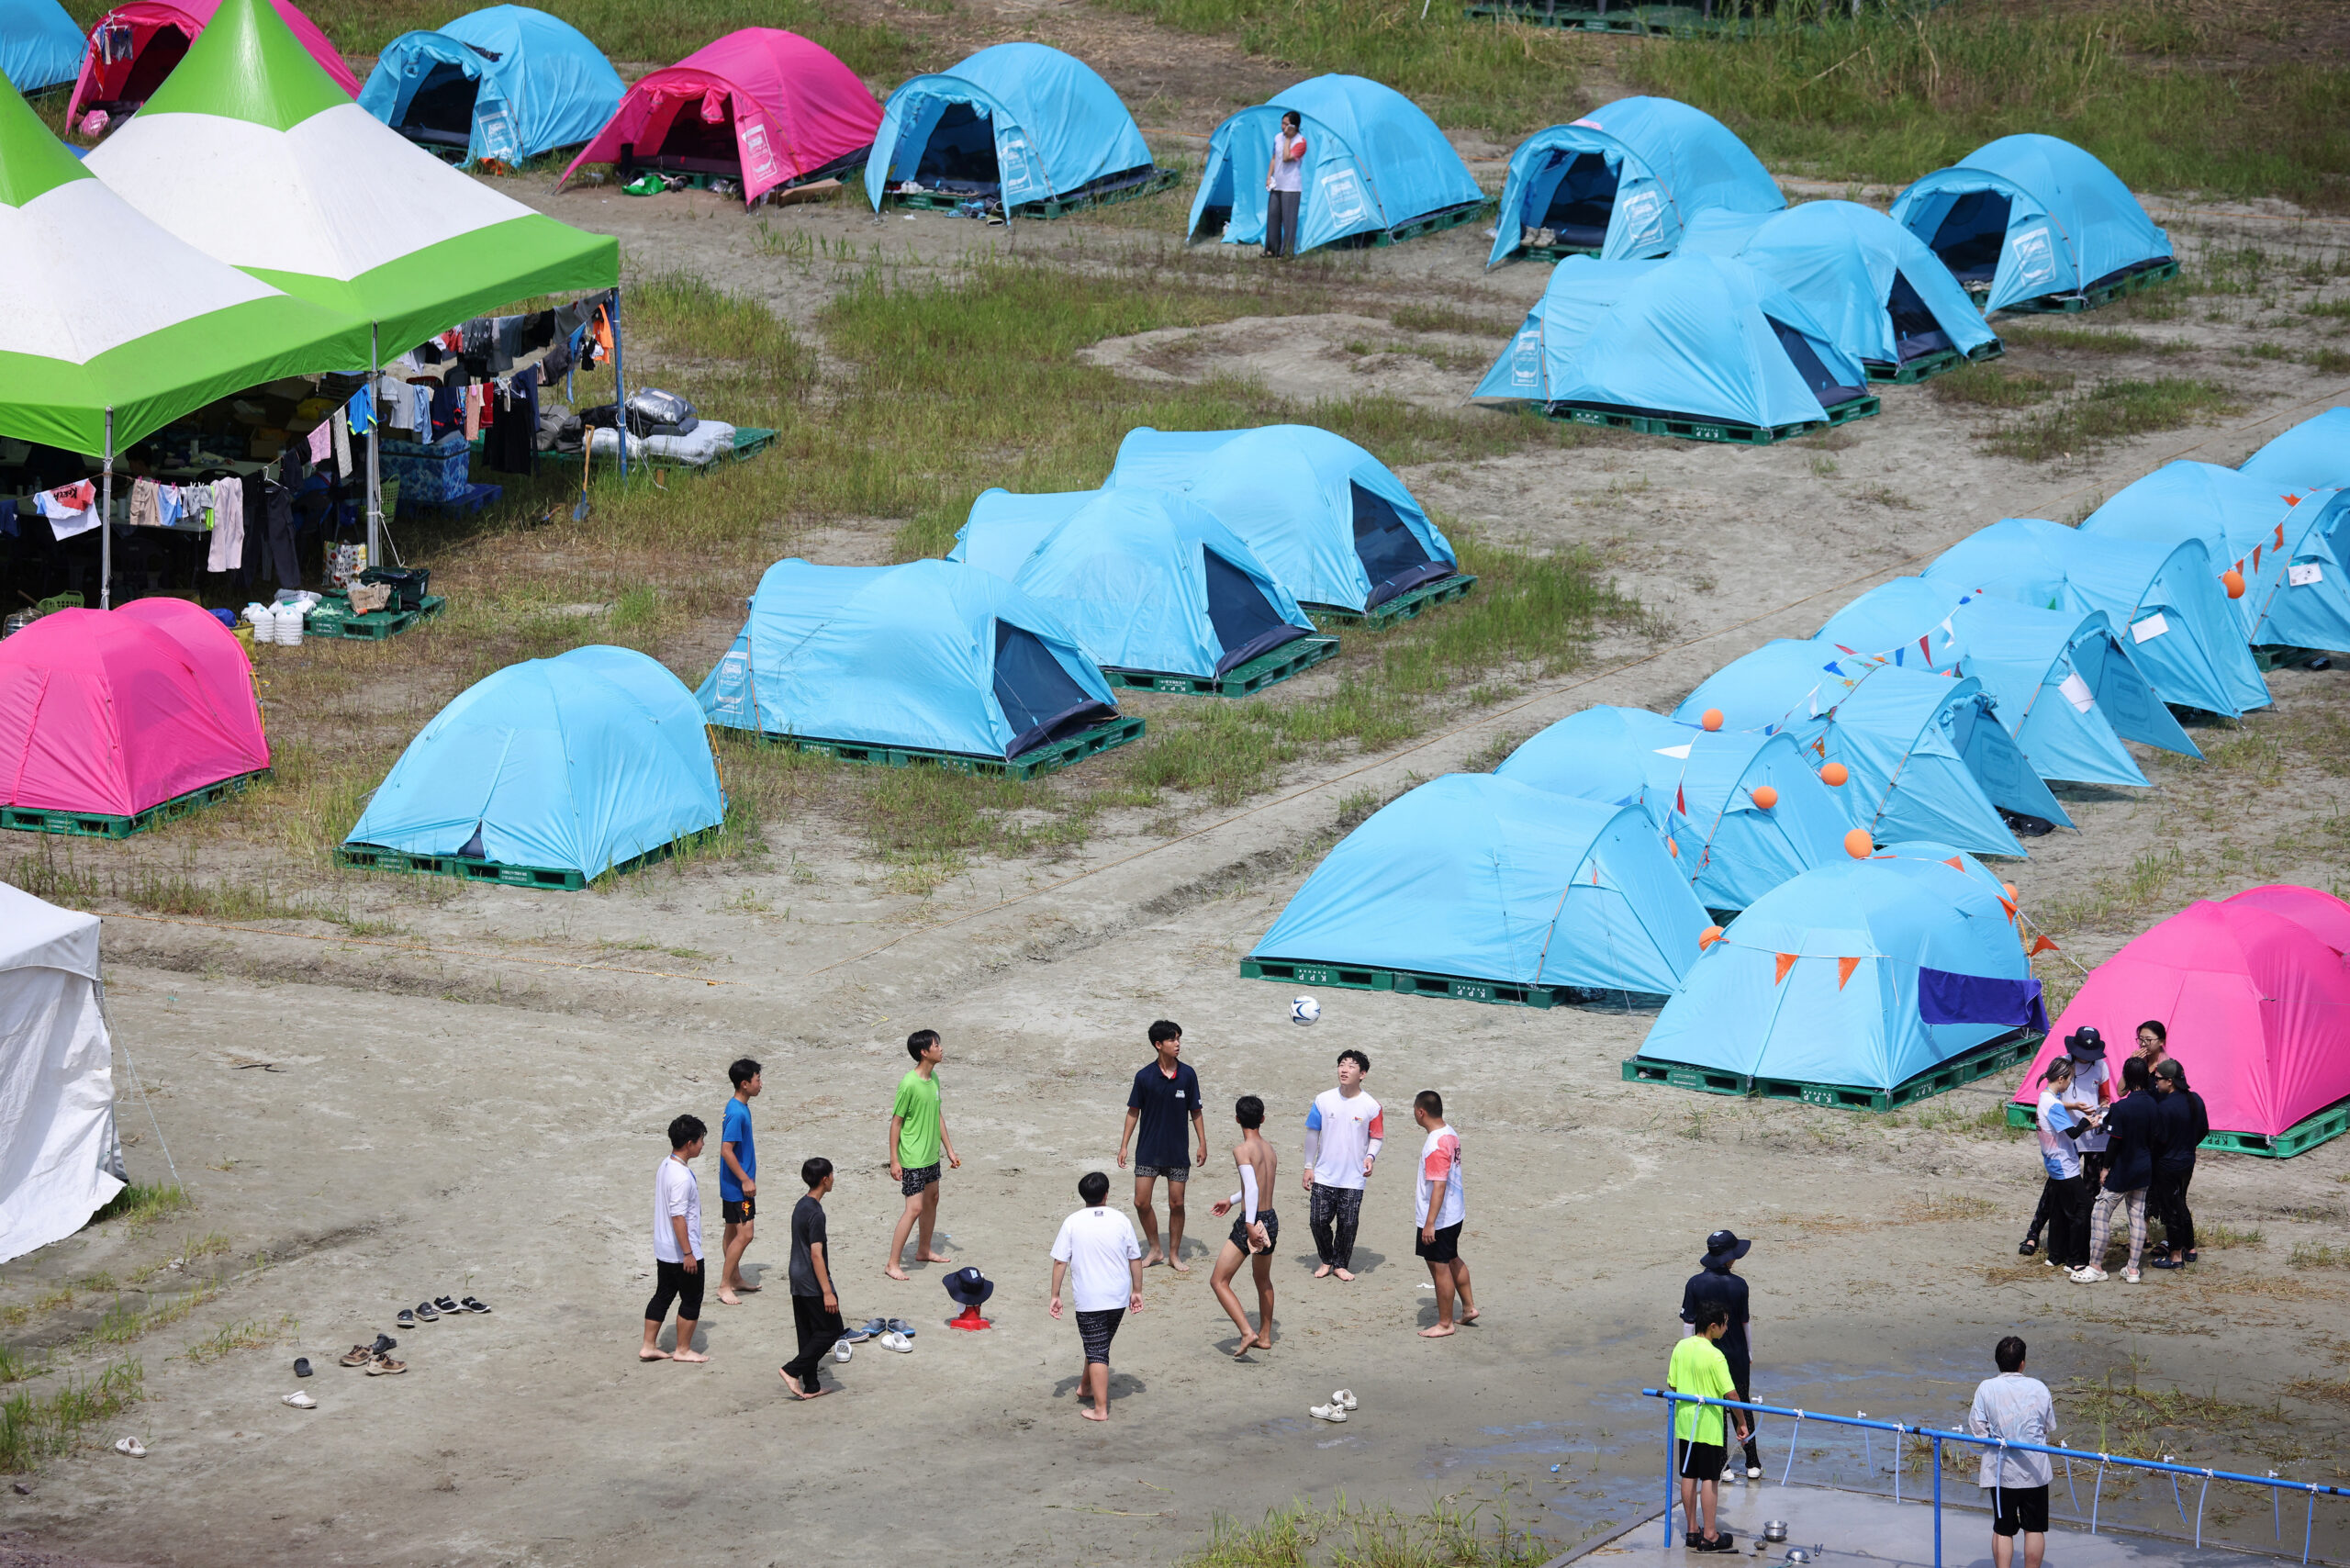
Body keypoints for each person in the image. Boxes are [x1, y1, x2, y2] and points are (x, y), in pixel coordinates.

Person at [1049, 1171, 1147, 1422]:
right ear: (1106, 1194)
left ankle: (1100, 1409)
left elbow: (1061, 1261)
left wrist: (1055, 1295)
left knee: (1097, 1350)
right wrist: (1137, 1291)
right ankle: (1086, 1386)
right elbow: (1134, 1258)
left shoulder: (1072, 1221)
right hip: (1118, 1296)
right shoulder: (1121, 1219)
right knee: (1098, 1344)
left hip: (1090, 1298)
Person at [1117, 1020, 1207, 1273]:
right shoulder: (1144, 1076)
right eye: (1172, 1040)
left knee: (1177, 1203)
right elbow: (1133, 1112)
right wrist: (1124, 1146)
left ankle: (1174, 1255)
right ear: (1159, 1045)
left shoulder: (1188, 1075)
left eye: (1179, 1038)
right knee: (1140, 1202)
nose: (1177, 1044)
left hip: (1177, 1151)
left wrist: (1202, 1143)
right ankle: (1155, 1249)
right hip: (1147, 1151)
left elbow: (1196, 1111)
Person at [2020, 1028, 2114, 1256]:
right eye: (2082, 1054)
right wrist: (2075, 1107)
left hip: (2093, 1136)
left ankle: (2079, 1241)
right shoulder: (2062, 1064)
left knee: (2089, 1191)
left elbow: (2105, 1096)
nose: (2086, 1059)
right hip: (2066, 1133)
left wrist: (2101, 1109)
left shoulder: (2101, 1066)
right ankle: (2034, 1234)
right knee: (2055, 1188)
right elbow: (2050, 1099)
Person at [1967, 1336, 2058, 1568]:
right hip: (2034, 1470)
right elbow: (2049, 1426)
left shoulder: (1986, 1387)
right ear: (2022, 1363)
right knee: (2034, 1528)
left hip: (2001, 1471)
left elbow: (1977, 1429)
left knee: (2003, 1529)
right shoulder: (2039, 1387)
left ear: (1998, 1362)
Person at [1680, 1229, 1762, 1479]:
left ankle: (1722, 1465)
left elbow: (1688, 1323)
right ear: (1730, 1258)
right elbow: (1745, 1322)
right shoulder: (1739, 1285)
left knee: (1713, 1407)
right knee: (1741, 1403)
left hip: (1705, 1352)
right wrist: (1749, 1350)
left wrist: (1687, 1351)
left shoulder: (1694, 1283)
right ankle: (1752, 1463)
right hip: (1736, 1353)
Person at [1667, 1302, 1742, 1553]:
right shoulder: (1715, 1355)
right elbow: (1731, 1395)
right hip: (1708, 1426)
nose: (1726, 1327)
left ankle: (1691, 1530)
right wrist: (1742, 1423)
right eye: (1725, 1323)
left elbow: (1674, 1385)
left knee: (1689, 1475)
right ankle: (1709, 1535)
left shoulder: (1681, 1346)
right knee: (1710, 1478)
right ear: (1713, 1326)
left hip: (1685, 1422)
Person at [1303, 1049, 1383, 1282]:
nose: (1344, 1069)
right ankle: (1327, 1258)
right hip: (1324, 1173)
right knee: (1317, 1221)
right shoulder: (1323, 1099)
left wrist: (1370, 1156)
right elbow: (1312, 1133)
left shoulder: (1371, 1106)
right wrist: (1309, 1166)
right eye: (1342, 1065)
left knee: (1348, 1224)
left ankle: (1340, 1264)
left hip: (1353, 1177)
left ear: (1363, 1074)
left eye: (1351, 1066)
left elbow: (1376, 1136)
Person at [885, 1029, 960, 1281]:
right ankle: (893, 1263)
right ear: (923, 1052)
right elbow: (896, 1122)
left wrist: (949, 1150)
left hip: (931, 1156)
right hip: (913, 1158)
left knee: (933, 1199)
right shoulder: (909, 1084)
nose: (941, 1048)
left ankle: (924, 1250)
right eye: (936, 1045)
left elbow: (937, 1115)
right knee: (914, 1208)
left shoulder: (934, 1079)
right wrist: (895, 1160)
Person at [1207, 1096, 1279, 1358]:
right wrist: (1231, 1199)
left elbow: (1253, 1187)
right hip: (1270, 1217)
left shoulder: (1242, 1150)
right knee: (1263, 1281)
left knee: (1219, 1281)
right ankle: (1266, 1336)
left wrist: (1248, 1223)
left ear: (1237, 1119)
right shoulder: (1270, 1149)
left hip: (1252, 1221)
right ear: (1262, 1118)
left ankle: (1248, 1331)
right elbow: (1258, 1186)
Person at [2077, 1055, 2157, 1284]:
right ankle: (2133, 1269)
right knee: (2137, 1217)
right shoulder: (2153, 1105)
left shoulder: (2122, 1108)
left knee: (2100, 1214)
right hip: (2144, 1167)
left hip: (2123, 1169)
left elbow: (2114, 1141)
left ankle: (2096, 1266)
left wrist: (2105, 1168)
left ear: (2129, 1079)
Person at [641, 1114, 710, 1363]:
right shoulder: (681, 1176)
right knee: (691, 1299)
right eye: (701, 1140)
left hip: (664, 1248)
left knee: (663, 1294)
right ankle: (683, 1349)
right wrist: (689, 1253)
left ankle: (649, 1345)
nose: (702, 1145)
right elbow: (678, 1216)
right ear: (690, 1143)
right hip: (682, 1251)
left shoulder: (665, 1164)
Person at [1412, 1090, 1476, 1338]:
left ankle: (1445, 1323)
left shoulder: (1434, 1144)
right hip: (1454, 1212)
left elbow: (1438, 1186)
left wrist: (1430, 1224)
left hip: (1439, 1218)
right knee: (1452, 1258)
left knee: (1439, 1267)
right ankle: (1468, 1308)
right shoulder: (1450, 1133)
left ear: (1421, 1112)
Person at [780, 1158, 843, 1399]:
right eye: (832, 1175)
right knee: (832, 1329)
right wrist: (827, 1291)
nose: (833, 1178)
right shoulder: (816, 1213)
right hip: (811, 1280)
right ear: (825, 1179)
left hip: (796, 1276)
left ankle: (812, 1385)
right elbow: (816, 1254)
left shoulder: (801, 1204)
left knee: (807, 1332)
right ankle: (791, 1370)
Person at [2031, 1057, 2096, 1273]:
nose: (2070, 1084)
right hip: (2063, 1165)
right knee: (2082, 1207)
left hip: (2053, 1162)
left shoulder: (2045, 1097)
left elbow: (2064, 1130)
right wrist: (2089, 1121)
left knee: (2059, 1208)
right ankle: (2075, 1259)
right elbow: (2073, 1132)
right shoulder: (2054, 1105)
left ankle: (2055, 1254)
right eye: (2070, 1079)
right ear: (2061, 1078)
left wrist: (2085, 1123)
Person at [2150, 1058, 2209, 1269]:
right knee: (2181, 1202)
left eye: (2157, 1080)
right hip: (2187, 1160)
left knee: (2170, 1209)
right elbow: (2204, 1130)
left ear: (2169, 1081)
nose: (2156, 1083)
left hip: (2168, 1164)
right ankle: (2189, 1248)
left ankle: (2175, 1256)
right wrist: (2188, 1146)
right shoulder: (2196, 1100)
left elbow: (2158, 1140)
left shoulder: (2164, 1107)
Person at [718, 1057, 762, 1306]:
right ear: (745, 1083)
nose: (760, 1084)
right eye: (757, 1080)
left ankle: (734, 1278)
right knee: (745, 1234)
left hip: (731, 1184)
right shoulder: (737, 1112)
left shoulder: (738, 1107)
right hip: (739, 1187)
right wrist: (745, 1179)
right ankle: (724, 1284)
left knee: (732, 1229)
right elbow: (727, 1150)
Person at [1264, 110, 1306, 259]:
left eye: (1287, 125)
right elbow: (1275, 158)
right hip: (1278, 183)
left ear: (1294, 126)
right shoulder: (1277, 138)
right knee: (1273, 216)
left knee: (1289, 221)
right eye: (1282, 123)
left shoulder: (1301, 142)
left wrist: (1288, 139)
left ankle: (1286, 252)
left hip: (1291, 186)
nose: (1283, 127)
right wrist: (1269, 177)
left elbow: (1287, 157)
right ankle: (1271, 249)